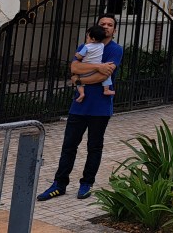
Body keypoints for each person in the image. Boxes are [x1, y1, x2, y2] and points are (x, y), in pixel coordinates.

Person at [38, 14, 122, 202]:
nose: (106, 27)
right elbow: (74, 68)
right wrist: (96, 68)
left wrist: (80, 79)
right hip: (79, 105)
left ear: (114, 30)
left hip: (100, 107)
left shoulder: (115, 49)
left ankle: (87, 183)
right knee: (69, 146)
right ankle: (59, 184)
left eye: (110, 25)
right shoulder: (85, 46)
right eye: (102, 24)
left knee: (94, 147)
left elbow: (103, 76)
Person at [72, 25, 115, 103]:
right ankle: (106, 89)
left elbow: (80, 56)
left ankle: (81, 93)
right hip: (97, 69)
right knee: (107, 74)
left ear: (93, 39)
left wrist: (77, 55)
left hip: (85, 69)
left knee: (76, 78)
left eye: (87, 37)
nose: (86, 39)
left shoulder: (86, 47)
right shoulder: (102, 45)